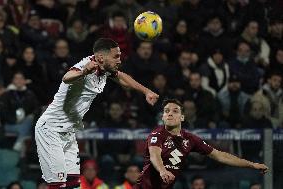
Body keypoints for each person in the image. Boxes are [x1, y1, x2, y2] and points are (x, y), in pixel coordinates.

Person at [34, 38, 159, 189]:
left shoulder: (105, 68)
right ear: (100, 57)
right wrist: (84, 71)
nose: (119, 60)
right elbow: (67, 78)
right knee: (58, 185)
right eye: (116, 56)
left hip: (68, 132)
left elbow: (122, 78)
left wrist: (146, 91)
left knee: (73, 184)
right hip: (50, 130)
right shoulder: (84, 66)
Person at [135, 99, 268, 189]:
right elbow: (154, 155)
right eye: (166, 111)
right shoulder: (157, 134)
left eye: (175, 111)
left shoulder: (190, 139)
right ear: (163, 117)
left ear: (182, 117)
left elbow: (220, 155)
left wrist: (252, 164)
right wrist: (162, 171)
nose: (170, 114)